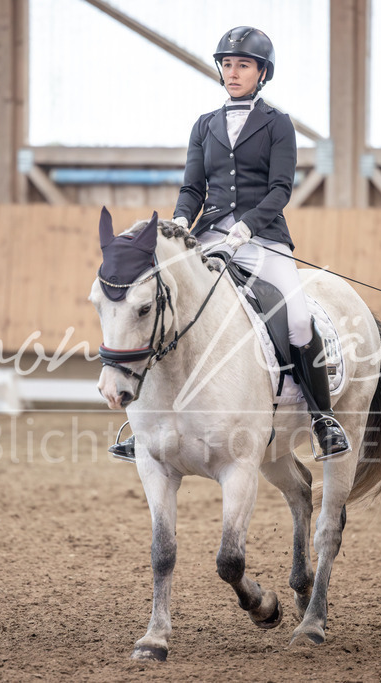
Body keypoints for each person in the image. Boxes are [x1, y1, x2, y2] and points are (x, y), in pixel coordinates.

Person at [110, 26, 350, 461]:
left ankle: (322, 419)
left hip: (263, 238)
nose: (233, 72)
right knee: (168, 307)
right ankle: (143, 421)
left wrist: (248, 228)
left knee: (296, 319)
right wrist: (182, 220)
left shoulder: (278, 124)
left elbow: (280, 189)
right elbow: (192, 187)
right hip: (209, 236)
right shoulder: (205, 126)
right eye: (227, 65)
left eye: (243, 65)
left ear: (262, 73)